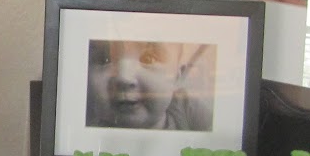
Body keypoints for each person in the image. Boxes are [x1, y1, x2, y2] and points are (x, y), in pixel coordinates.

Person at [84, 40, 214, 132]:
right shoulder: (84, 134)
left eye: (148, 58)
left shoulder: (187, 108)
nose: (124, 77)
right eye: (105, 59)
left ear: (177, 77)